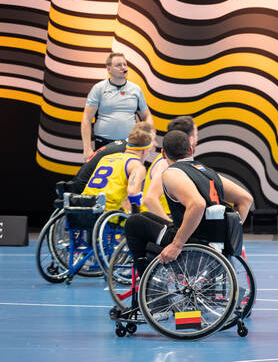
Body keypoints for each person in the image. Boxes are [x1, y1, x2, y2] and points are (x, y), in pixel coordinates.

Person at [123, 129, 253, 272]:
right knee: (145, 217)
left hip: (192, 241)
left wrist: (177, 245)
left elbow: (197, 204)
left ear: (163, 153)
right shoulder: (207, 171)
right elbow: (246, 199)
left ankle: (148, 280)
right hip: (213, 240)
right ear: (191, 150)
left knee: (133, 222)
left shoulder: (172, 172)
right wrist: (229, 236)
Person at [81, 52, 153, 160]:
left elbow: (147, 115)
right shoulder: (98, 88)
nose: (123, 68)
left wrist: (149, 135)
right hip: (103, 142)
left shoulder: (136, 89)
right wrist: (87, 148)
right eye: (118, 65)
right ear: (109, 69)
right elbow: (86, 119)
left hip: (129, 144)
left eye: (124, 64)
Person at [81, 124, 156, 213]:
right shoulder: (137, 166)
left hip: (83, 206)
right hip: (106, 212)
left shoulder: (106, 158)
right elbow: (133, 192)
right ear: (144, 151)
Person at [68, 121, 155, 194]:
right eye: (153, 139)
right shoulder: (129, 155)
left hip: (82, 189)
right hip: (82, 189)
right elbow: (131, 192)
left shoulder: (123, 145)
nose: (155, 144)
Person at [140, 116, 198, 218]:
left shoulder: (175, 162)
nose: (197, 139)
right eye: (196, 135)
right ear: (191, 139)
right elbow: (149, 199)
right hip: (157, 221)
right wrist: (169, 225)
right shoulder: (165, 163)